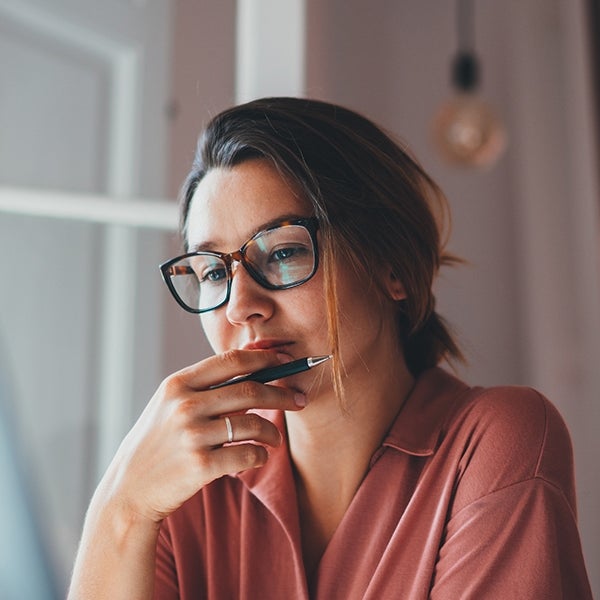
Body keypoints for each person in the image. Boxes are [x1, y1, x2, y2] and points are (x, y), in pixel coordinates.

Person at [68, 97, 592, 599]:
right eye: (212, 272)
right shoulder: (185, 488)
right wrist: (122, 508)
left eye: (284, 252)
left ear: (391, 266)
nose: (239, 306)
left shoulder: (496, 441)